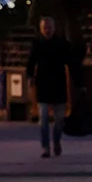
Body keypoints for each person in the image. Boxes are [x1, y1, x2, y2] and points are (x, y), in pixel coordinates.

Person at [26, 14, 79, 158]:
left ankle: (56, 141)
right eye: (45, 28)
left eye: (49, 27)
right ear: (41, 29)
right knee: (43, 118)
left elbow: (71, 63)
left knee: (59, 119)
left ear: (54, 28)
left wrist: (78, 82)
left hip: (58, 84)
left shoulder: (62, 44)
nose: (47, 30)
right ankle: (45, 147)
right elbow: (31, 61)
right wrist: (30, 77)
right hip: (43, 85)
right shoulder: (38, 44)